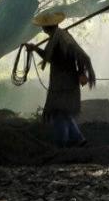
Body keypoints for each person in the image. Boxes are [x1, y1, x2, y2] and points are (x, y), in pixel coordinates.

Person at [25, 10, 96, 147]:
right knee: (64, 113)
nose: (42, 28)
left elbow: (52, 56)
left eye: (43, 26)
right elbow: (52, 56)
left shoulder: (59, 38)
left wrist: (82, 73)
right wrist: (34, 48)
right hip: (65, 81)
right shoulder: (61, 36)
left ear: (46, 28)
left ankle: (61, 144)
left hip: (63, 83)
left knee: (58, 112)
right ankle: (79, 139)